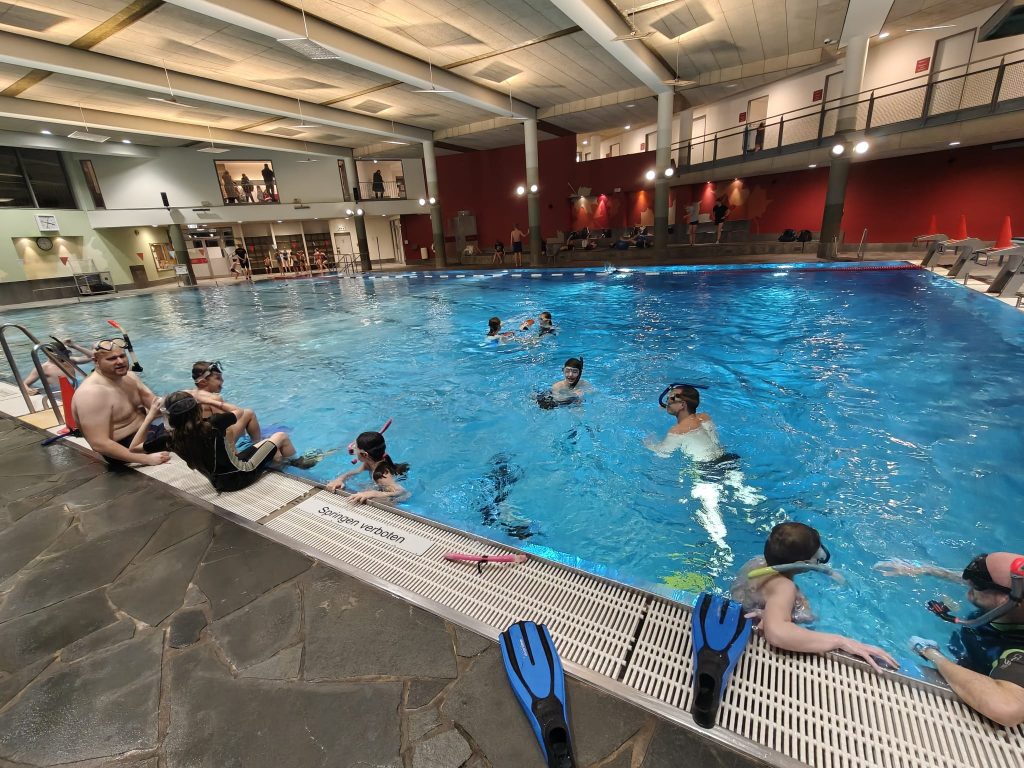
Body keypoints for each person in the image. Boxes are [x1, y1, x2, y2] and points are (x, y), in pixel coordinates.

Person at [875, 552, 1024, 726]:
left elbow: (1007, 709)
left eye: (977, 584)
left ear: (1004, 600)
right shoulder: (1011, 600)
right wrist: (925, 570)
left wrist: (932, 654)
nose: (967, 585)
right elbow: (975, 580)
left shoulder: (1017, 647)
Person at [729, 522, 898, 673]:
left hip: (740, 613)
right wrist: (841, 641)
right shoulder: (784, 587)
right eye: (815, 556)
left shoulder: (756, 563)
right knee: (809, 616)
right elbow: (776, 634)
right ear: (800, 564)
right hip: (753, 633)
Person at [158, 391, 313, 492]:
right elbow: (239, 411)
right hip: (241, 475)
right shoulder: (213, 424)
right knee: (281, 437)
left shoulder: (171, 439)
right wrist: (210, 401)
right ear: (197, 409)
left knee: (272, 449)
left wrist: (152, 415)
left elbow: (144, 447)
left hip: (218, 483)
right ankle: (298, 466)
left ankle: (280, 462)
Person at [71, 339, 171, 468]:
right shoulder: (91, 394)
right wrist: (146, 459)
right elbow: (99, 443)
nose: (120, 361)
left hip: (147, 432)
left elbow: (157, 406)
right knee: (189, 436)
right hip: (123, 448)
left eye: (122, 356)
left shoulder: (130, 377)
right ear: (96, 361)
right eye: (112, 359)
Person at [188, 360, 261, 446]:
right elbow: (227, 426)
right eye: (218, 378)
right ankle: (258, 444)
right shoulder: (213, 398)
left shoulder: (187, 394)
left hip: (194, 441)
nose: (222, 381)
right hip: (214, 443)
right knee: (249, 413)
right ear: (203, 382)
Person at [326, 430, 408, 504]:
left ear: (365, 455)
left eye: (356, 448)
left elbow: (403, 493)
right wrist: (339, 479)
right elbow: (352, 473)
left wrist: (375, 493)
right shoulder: (369, 463)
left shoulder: (382, 476)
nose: (354, 450)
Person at [22, 337, 91, 396]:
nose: (63, 355)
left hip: (76, 391)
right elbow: (24, 384)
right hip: (59, 394)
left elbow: (91, 357)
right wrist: (28, 390)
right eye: (59, 352)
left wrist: (74, 346)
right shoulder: (44, 368)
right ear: (49, 353)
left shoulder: (70, 361)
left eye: (63, 352)